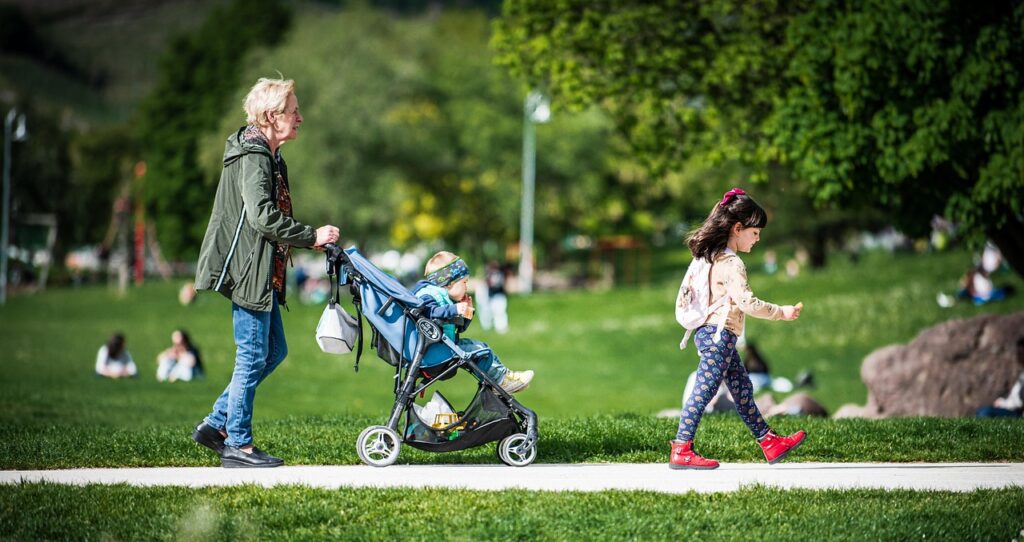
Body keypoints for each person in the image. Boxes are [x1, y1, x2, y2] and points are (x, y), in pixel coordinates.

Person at [190, 77, 340, 468]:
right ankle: (237, 443)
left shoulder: (269, 155)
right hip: (248, 269)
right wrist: (311, 236)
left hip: (263, 269)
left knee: (273, 351)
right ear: (272, 116)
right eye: (294, 112)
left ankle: (215, 424)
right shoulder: (253, 155)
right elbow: (262, 217)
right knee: (253, 354)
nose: (300, 118)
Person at [670, 187, 806, 470]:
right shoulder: (731, 263)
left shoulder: (713, 256)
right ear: (738, 227)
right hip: (718, 336)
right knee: (705, 388)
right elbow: (747, 302)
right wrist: (781, 312)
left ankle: (769, 442)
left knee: (742, 389)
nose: (757, 240)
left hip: (716, 335)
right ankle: (682, 448)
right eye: (755, 233)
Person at [413, 251, 533, 393]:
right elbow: (430, 314)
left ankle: (503, 377)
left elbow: (458, 328)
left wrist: (466, 314)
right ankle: (500, 380)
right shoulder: (428, 295)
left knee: (480, 347)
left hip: (440, 348)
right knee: (482, 352)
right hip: (435, 353)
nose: (466, 287)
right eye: (464, 282)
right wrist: (454, 309)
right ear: (448, 283)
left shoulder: (442, 298)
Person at [484, 260, 509, 334]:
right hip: (493, 296)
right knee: (494, 312)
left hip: (499, 295)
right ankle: (496, 326)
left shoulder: (499, 274)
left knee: (500, 312)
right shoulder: (490, 274)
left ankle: (502, 327)